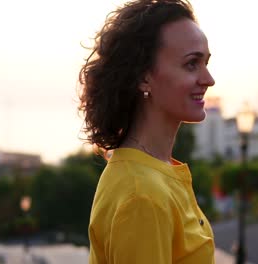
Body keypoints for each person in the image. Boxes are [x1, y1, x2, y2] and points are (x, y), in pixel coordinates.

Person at [78, 0, 215, 263]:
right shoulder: (142, 196)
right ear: (143, 77)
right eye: (191, 64)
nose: (208, 79)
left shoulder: (152, 172)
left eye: (206, 63)